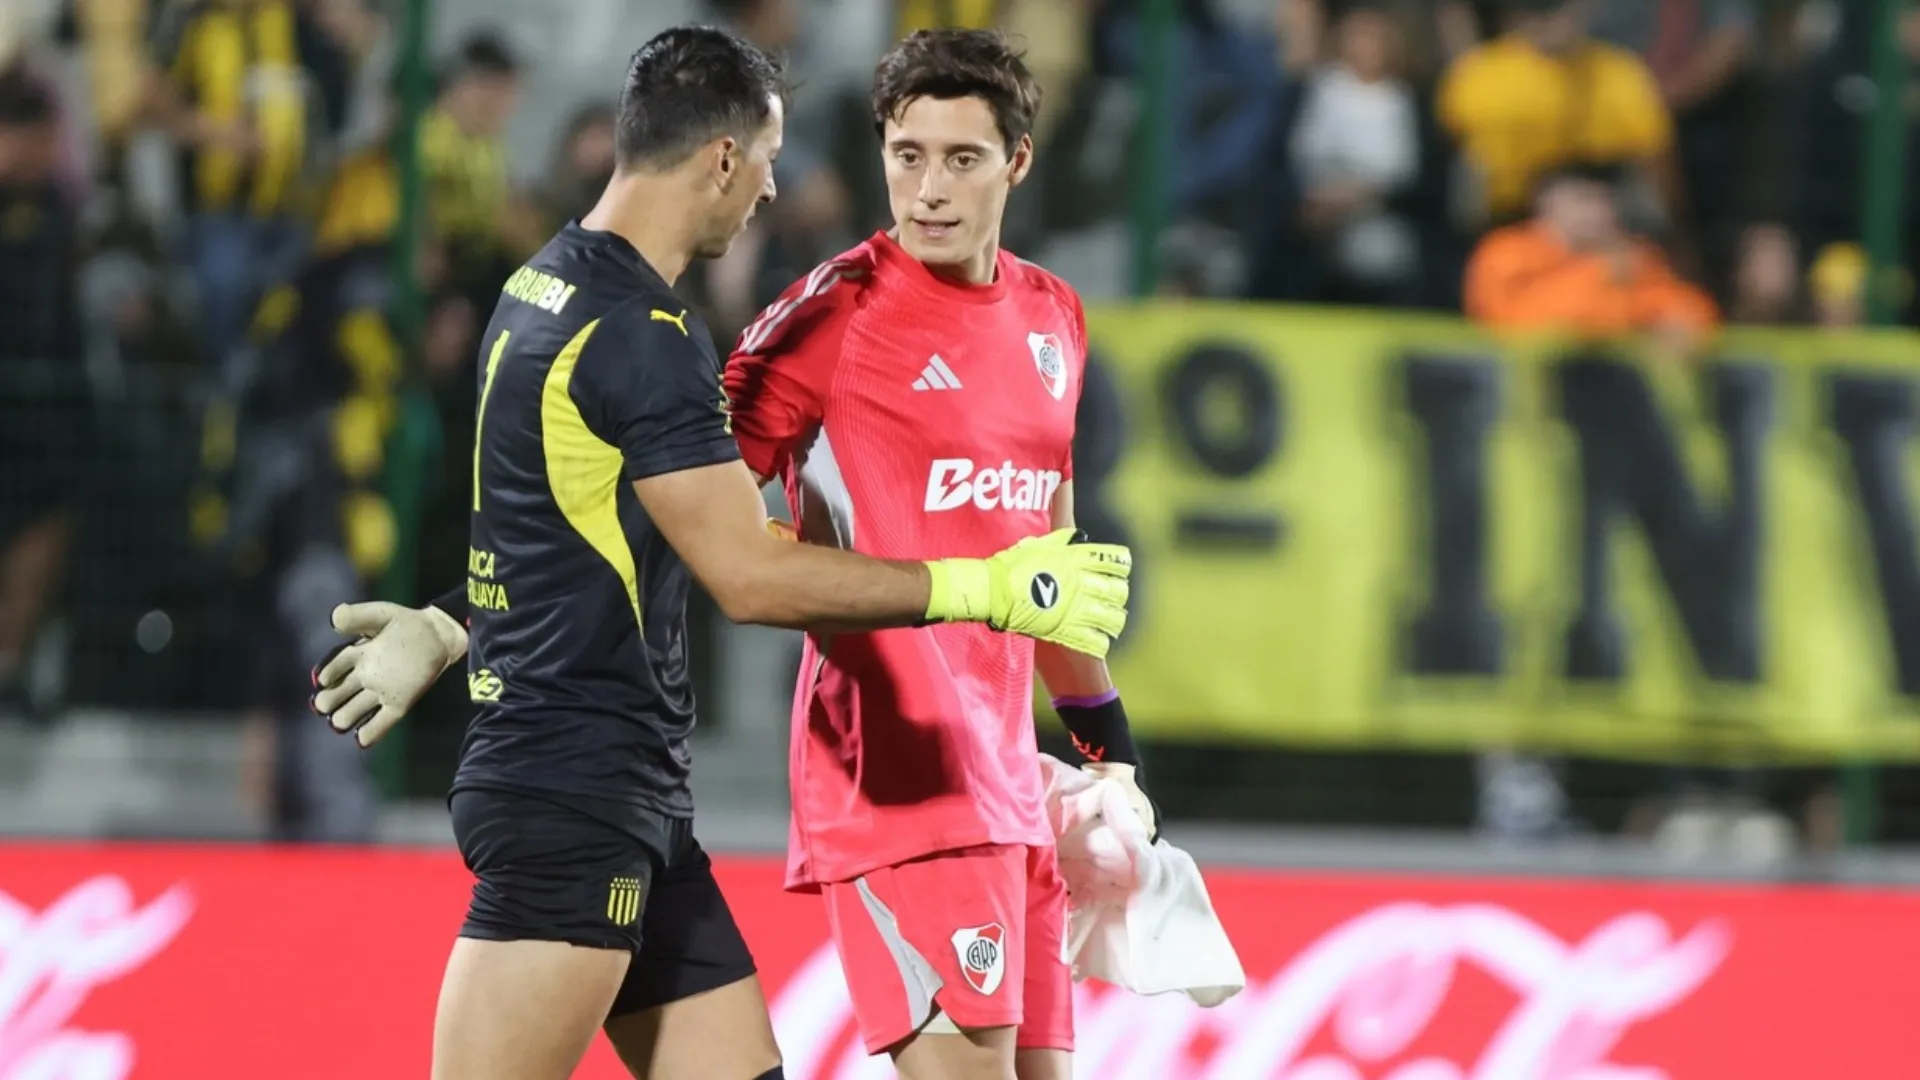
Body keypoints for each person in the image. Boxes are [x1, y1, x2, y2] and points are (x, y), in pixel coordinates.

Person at [307, 25, 1133, 1080]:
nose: (774, 194)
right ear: (725, 159)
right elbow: (742, 571)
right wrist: (985, 588)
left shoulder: (542, 290)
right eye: (773, 162)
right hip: (575, 788)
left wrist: (449, 619)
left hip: (635, 791)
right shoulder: (652, 336)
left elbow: (592, 516)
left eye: (961, 158)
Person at [721, 30, 1158, 1078]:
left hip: (1012, 779)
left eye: (961, 158)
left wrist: (1113, 756)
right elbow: (685, 496)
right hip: (893, 774)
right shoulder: (835, 312)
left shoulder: (1055, 315)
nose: (927, 188)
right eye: (906, 154)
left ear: (1017, 162)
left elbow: (1044, 564)